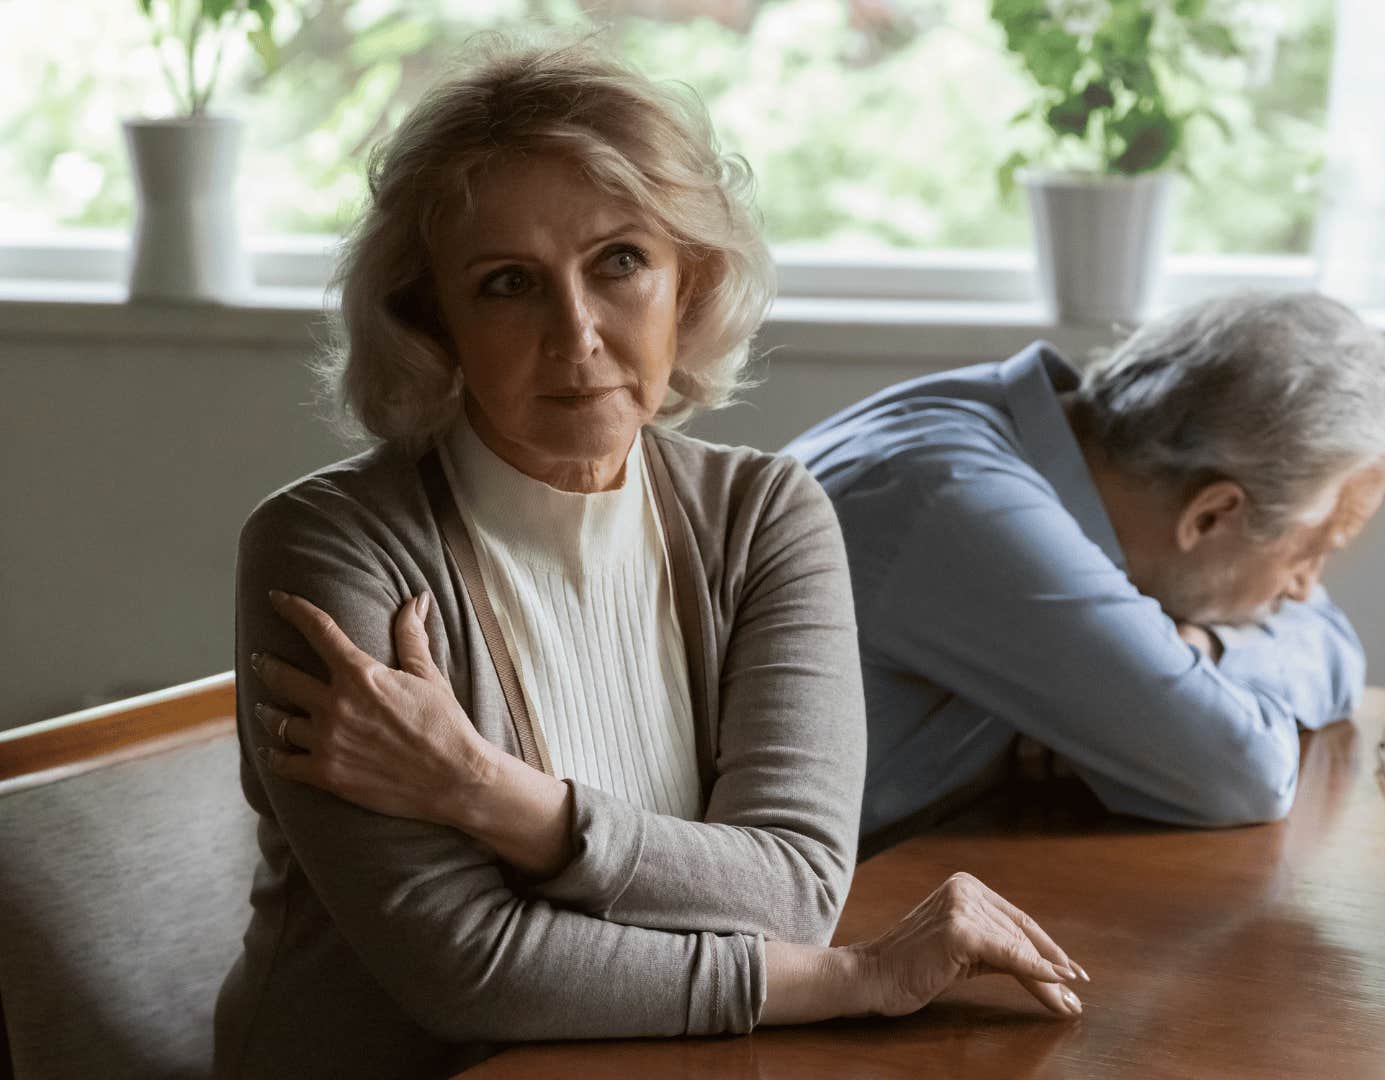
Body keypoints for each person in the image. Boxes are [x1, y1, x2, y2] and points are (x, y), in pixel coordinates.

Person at [215, 43, 1085, 1079]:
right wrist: (848, 982)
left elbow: (795, 889)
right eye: (507, 284)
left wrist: (487, 790)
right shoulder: (328, 549)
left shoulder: (765, 516)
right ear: (431, 320)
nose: (576, 333)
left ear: (692, 281)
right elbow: (468, 972)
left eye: (620, 261)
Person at [786, 293, 1385, 843]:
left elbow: (1335, 647)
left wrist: (1205, 647)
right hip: (767, 951)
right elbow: (1241, 775)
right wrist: (1184, 687)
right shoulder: (960, 501)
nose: (1305, 588)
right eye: (1311, 551)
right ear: (1211, 516)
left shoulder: (1052, 445)